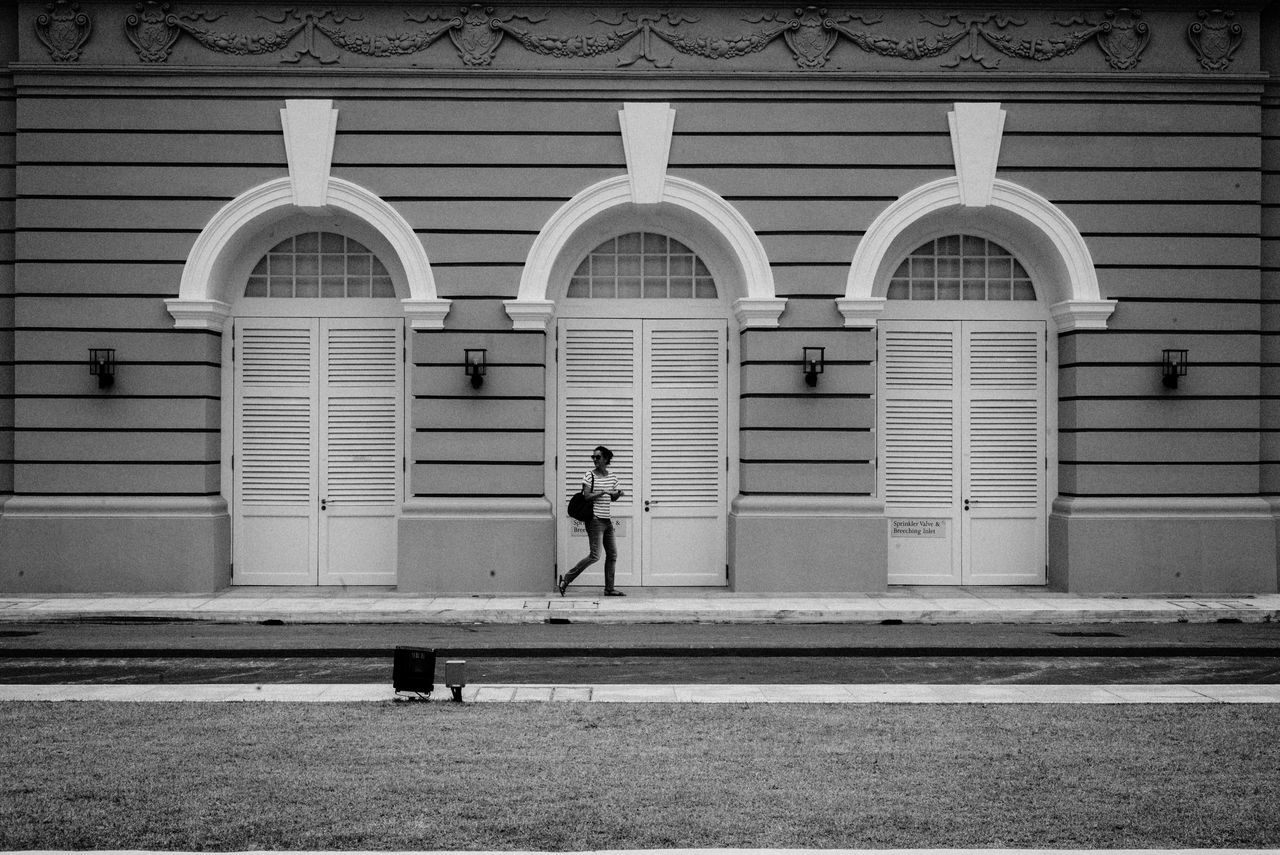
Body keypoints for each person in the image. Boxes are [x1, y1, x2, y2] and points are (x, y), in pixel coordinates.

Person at [559, 445, 625, 597]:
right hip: (594, 520)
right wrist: (602, 492)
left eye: (598, 457)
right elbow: (587, 496)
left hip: (606, 520)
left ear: (606, 459)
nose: (595, 460)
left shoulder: (612, 477)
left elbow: (613, 498)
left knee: (612, 554)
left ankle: (609, 589)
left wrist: (618, 494)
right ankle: (566, 579)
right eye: (593, 457)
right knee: (595, 555)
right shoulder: (589, 476)